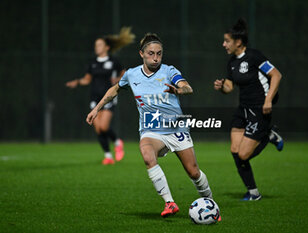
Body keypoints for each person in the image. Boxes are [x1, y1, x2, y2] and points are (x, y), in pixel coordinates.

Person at [86, 33, 218, 219]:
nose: (155, 57)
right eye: (151, 53)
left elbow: (188, 87)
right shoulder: (131, 74)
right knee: (147, 153)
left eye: (159, 54)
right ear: (142, 54)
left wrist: (179, 89)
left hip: (175, 128)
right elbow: (115, 89)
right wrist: (97, 109)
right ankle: (169, 203)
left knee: (193, 171)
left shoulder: (169, 71)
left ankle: (211, 204)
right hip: (151, 129)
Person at [214, 18, 284, 201]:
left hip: (259, 110)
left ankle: (269, 135)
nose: (223, 44)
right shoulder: (232, 62)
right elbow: (229, 87)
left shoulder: (254, 56)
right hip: (243, 109)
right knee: (235, 150)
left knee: (244, 154)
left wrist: (268, 100)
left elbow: (276, 75)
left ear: (238, 42)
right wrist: (222, 86)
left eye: (227, 41)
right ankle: (253, 192)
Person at [66, 27, 135, 165]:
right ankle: (108, 156)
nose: (96, 47)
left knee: (103, 127)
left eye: (99, 45)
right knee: (98, 128)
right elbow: (87, 79)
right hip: (94, 97)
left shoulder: (114, 61)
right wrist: (77, 82)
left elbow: (124, 74)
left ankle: (117, 142)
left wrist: (118, 80)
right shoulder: (93, 62)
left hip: (109, 97)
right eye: (96, 45)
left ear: (107, 47)